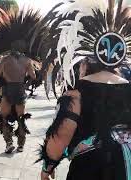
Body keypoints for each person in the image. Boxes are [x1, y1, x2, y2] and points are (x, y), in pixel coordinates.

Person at [38, 1, 131, 180]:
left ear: (85, 64)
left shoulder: (75, 95)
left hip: (89, 169)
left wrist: (47, 167)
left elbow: (61, 136)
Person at [0, 6, 47, 153]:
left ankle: (9, 142)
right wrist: (28, 81)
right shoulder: (27, 61)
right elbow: (34, 77)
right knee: (21, 118)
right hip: (20, 91)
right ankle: (21, 145)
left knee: (3, 118)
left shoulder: (5, 60)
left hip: (8, 91)